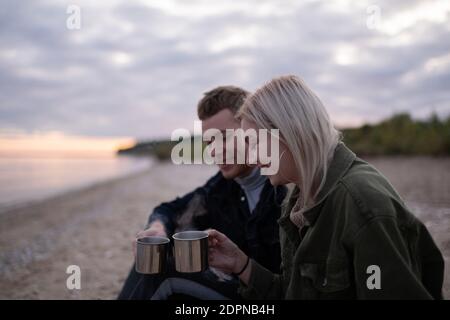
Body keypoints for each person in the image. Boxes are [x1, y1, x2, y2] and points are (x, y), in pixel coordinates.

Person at [207, 75, 444, 299]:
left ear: (290, 131)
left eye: (256, 142)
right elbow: (294, 293)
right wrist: (240, 264)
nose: (252, 158)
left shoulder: (362, 204)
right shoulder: (298, 202)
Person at [118, 86, 286, 300]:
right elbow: (170, 210)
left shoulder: (285, 184)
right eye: (209, 142)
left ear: (249, 130)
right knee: (153, 257)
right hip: (237, 290)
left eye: (224, 137)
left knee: (163, 275)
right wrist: (158, 229)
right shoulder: (222, 186)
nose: (215, 150)